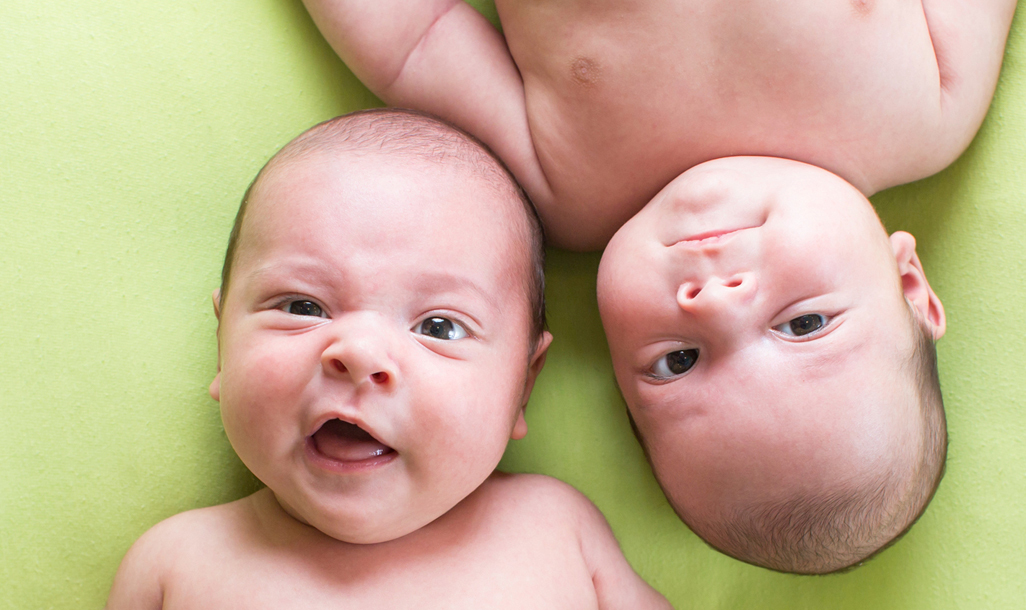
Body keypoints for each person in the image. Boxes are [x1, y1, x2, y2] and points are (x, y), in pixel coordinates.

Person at [0, 110, 831, 610]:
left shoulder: (549, 532)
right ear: (222, 344)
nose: (356, 352)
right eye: (301, 306)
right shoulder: (183, 569)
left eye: (438, 325)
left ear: (521, 387)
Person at [298, 0, 1015, 571]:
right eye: (804, 324)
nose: (717, 301)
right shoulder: (928, 112)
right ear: (911, 287)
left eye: (679, 360)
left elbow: (416, 37)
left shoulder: (562, 186)